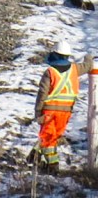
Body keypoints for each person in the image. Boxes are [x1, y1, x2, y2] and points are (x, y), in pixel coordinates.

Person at [34, 40, 80, 171]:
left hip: (49, 111)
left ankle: (52, 166)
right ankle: (38, 156)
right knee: (52, 138)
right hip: (66, 112)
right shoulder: (75, 69)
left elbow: (42, 93)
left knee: (48, 139)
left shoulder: (50, 72)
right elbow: (88, 65)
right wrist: (89, 58)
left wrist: (38, 112)